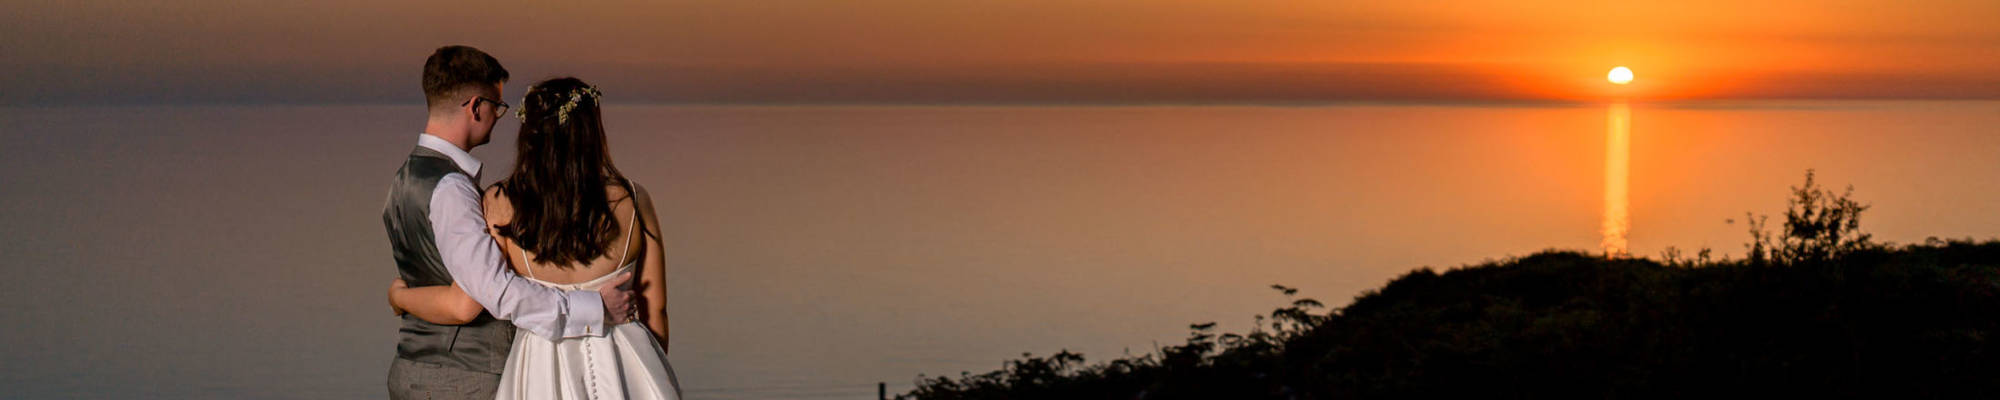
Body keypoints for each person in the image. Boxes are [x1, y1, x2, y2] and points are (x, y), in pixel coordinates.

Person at [391, 76, 682, 399]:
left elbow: (468, 300)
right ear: (592, 133)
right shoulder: (632, 199)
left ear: (529, 135)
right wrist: (653, 369)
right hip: (627, 364)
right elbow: (655, 307)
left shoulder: (500, 202)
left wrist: (401, 297)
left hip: (540, 370)